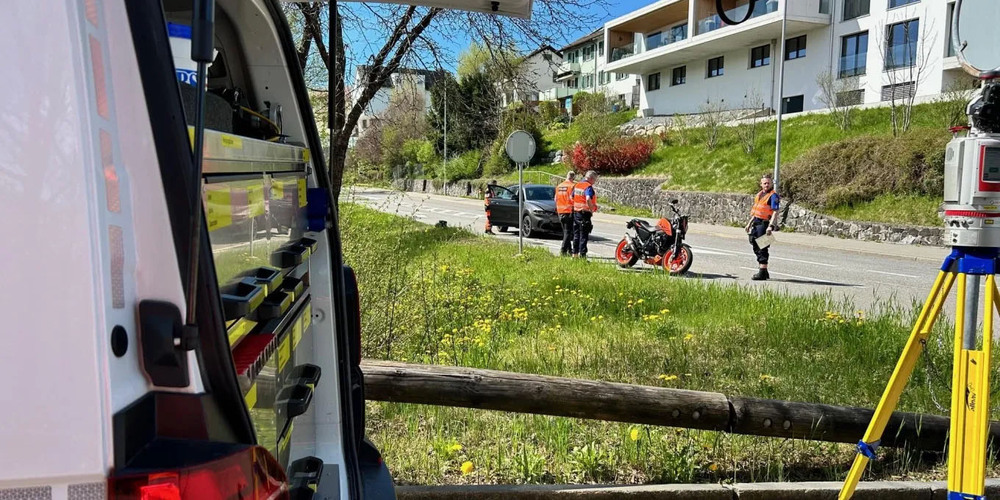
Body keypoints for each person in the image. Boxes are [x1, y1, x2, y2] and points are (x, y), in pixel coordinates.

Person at [745, 172, 780, 281]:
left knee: (763, 247)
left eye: (768, 183)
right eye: (764, 183)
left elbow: (775, 212)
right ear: (761, 184)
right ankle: (764, 271)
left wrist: (771, 226)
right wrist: (749, 223)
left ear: (771, 184)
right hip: (756, 222)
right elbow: (756, 211)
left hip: (765, 224)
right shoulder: (760, 195)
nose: (766, 185)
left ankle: (762, 272)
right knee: (754, 243)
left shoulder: (773, 196)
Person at [571, 170, 599, 259]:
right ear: (591, 178)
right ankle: (582, 256)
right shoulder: (588, 187)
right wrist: (591, 209)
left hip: (576, 213)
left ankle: (574, 254)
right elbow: (588, 198)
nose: (594, 182)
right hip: (584, 213)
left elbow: (571, 197)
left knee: (576, 235)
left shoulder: (577, 185)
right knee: (583, 235)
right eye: (594, 180)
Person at [555, 171, 577, 256]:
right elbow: (573, 198)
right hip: (569, 211)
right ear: (573, 178)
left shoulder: (559, 186)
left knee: (565, 232)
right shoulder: (572, 186)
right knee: (568, 232)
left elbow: (555, 199)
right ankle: (563, 250)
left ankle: (569, 250)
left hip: (560, 211)